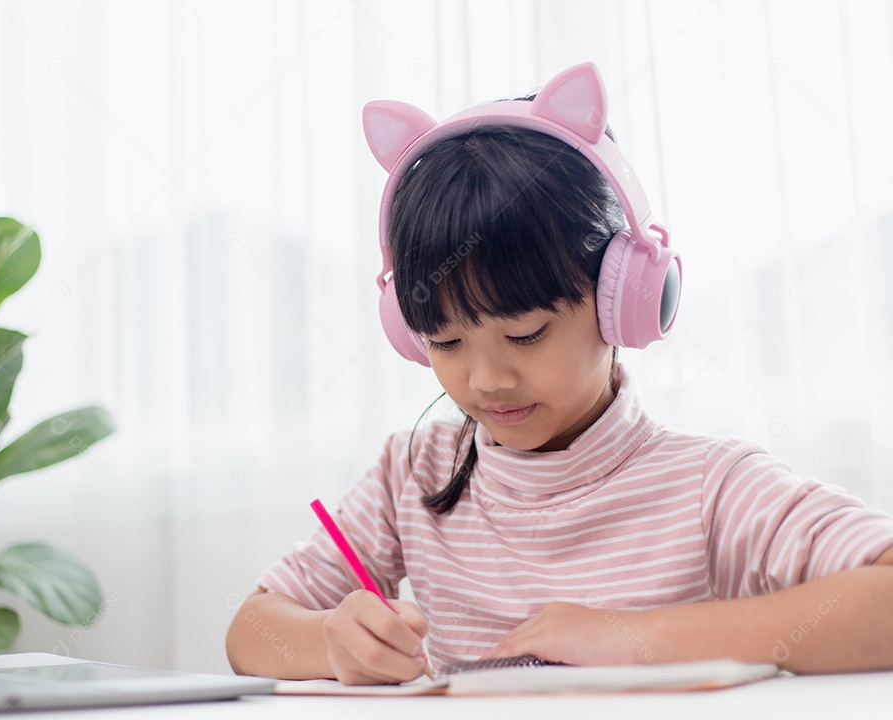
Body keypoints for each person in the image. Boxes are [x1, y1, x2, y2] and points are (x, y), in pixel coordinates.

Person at [224, 62, 893, 685]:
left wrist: (635, 637)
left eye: (525, 333)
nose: (486, 379)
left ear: (625, 297)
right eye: (447, 340)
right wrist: (331, 643)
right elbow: (251, 631)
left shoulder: (709, 487)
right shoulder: (413, 474)